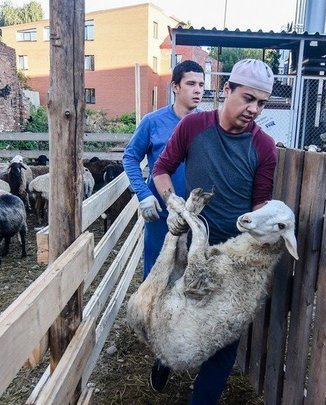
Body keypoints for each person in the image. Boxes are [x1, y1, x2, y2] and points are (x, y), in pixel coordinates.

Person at [151, 59, 278, 404]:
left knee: (226, 331)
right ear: (227, 91)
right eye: (248, 98)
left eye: (261, 103)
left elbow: (258, 206)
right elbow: (161, 169)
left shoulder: (264, 148)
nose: (254, 109)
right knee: (177, 311)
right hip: (192, 244)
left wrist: (264, 233)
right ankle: (164, 358)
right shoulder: (194, 127)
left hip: (234, 257)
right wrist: (173, 205)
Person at [123, 59, 205, 393]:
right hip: (162, 218)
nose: (198, 90)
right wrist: (144, 195)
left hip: (198, 217)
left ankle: (191, 346)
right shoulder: (154, 122)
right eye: (191, 84)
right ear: (175, 87)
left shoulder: (207, 124)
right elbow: (130, 157)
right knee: (159, 281)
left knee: (193, 281)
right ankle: (161, 354)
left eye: (202, 85)